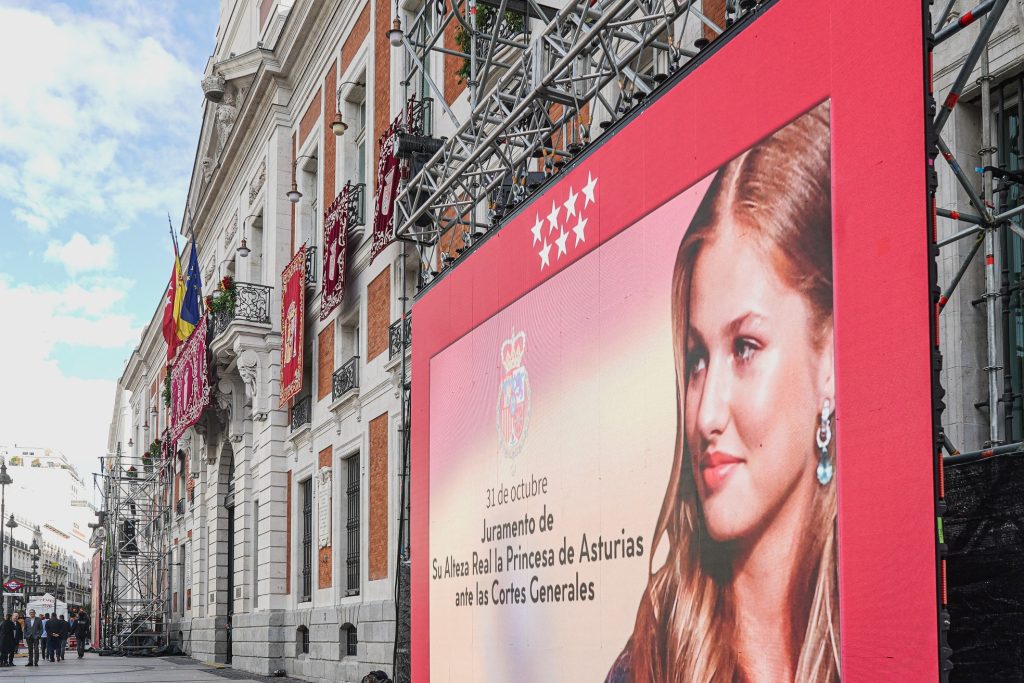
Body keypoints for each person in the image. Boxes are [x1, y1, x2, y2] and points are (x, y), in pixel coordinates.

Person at [609, 102, 838, 683]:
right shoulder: (651, 660)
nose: (707, 413)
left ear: (830, 356)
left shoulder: (878, 623)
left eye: (746, 348)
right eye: (695, 359)